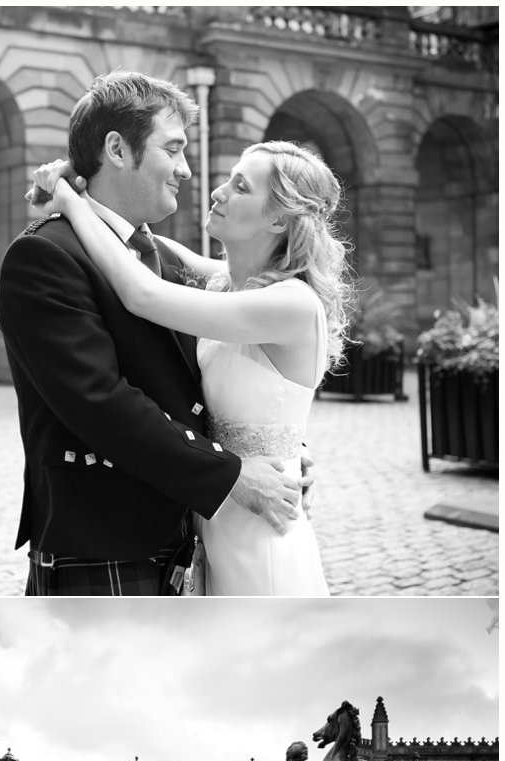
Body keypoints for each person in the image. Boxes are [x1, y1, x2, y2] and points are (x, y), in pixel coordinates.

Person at [0, 70, 307, 597]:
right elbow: (100, 402)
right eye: (174, 149)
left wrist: (273, 452)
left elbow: (200, 385)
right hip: (102, 542)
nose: (188, 170)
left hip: (188, 536)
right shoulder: (44, 255)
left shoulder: (161, 258)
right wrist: (232, 472)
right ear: (117, 149)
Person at [30, 126, 356, 596]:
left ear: (280, 220)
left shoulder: (292, 303)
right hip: (214, 515)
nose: (218, 191)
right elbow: (141, 245)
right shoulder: (227, 284)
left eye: (241, 186)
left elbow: (141, 291)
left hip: (260, 526)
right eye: (230, 178)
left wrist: (72, 199)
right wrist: (82, 184)